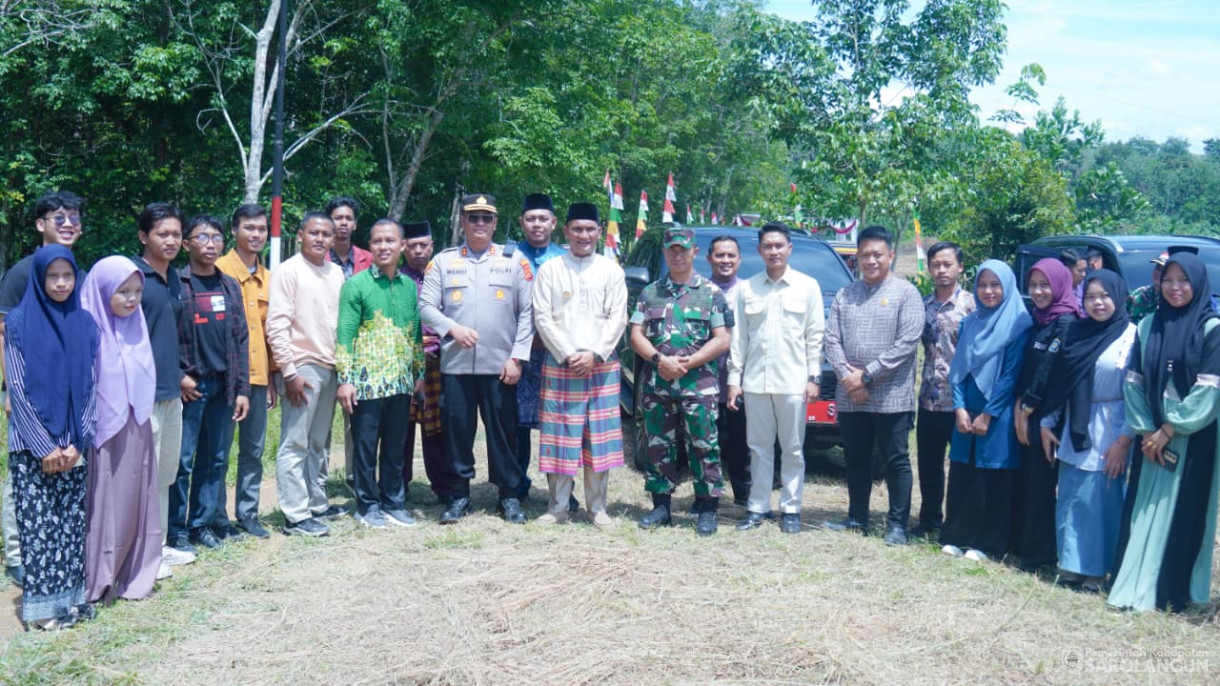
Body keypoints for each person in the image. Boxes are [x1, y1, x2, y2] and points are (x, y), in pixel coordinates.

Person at [1112, 253, 1220, 612]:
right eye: (1168, 280)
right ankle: (1134, 581)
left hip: (1193, 439)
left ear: (1199, 283)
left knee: (1182, 512)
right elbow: (1133, 382)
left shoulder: (1212, 329)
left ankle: (1170, 591)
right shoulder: (1147, 326)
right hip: (1150, 440)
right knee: (1144, 507)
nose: (1175, 288)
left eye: (1183, 281)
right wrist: (1147, 431)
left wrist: (1169, 429)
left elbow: (1209, 392)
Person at [419, 194, 534, 524]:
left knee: (504, 433)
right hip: (456, 366)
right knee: (456, 432)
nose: (480, 223)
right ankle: (458, 496)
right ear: (463, 222)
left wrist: (518, 359)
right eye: (473, 218)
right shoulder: (444, 261)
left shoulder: (514, 262)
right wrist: (452, 328)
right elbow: (426, 305)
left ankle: (509, 495)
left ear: (495, 223)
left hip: (501, 367)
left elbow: (527, 313)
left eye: (486, 218)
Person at [4, 246, 99, 629]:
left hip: (74, 443)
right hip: (32, 446)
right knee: (40, 530)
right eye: (52, 276)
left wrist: (78, 442)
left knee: (71, 527)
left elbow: (92, 387)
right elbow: (17, 389)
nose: (61, 284)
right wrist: (45, 447)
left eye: (68, 276)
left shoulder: (85, 322)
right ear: (39, 279)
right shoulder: (18, 322)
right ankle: (44, 613)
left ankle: (71, 603)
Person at [0, 190, 86, 589]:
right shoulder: (23, 273)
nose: (68, 224)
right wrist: (9, 396)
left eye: (74, 218)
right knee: (26, 481)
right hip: (25, 394)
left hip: (67, 401)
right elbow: (4, 332)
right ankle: (19, 556)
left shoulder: (75, 273)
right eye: (59, 218)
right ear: (40, 224)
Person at [823, 226, 923, 545]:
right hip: (851, 395)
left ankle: (897, 525)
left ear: (891, 255)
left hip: (891, 396)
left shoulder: (906, 293)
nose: (871, 260)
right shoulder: (845, 294)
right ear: (858, 258)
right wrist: (850, 378)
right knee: (855, 457)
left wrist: (866, 376)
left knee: (896, 460)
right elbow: (831, 340)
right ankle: (857, 518)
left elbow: (907, 343)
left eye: (878, 254)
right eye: (865, 254)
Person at [1038, 270, 1135, 594]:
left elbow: (1137, 394)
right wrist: (1046, 422)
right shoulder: (1077, 332)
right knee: (1072, 497)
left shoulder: (1132, 336)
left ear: (1119, 296)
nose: (1098, 302)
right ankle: (1071, 565)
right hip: (1075, 423)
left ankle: (1097, 570)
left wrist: (1125, 438)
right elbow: (1061, 382)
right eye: (1091, 296)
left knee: (1103, 500)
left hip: (1113, 423)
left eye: (1105, 295)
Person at [533, 203, 628, 528]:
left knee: (597, 438)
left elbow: (619, 318)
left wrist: (596, 353)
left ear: (599, 232)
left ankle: (597, 508)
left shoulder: (611, 270)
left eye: (590, 229)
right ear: (566, 231)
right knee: (560, 435)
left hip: (600, 365)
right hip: (562, 363)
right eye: (577, 229)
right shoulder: (551, 269)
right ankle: (557, 507)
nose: (583, 235)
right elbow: (542, 317)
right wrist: (567, 352)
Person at [630, 226, 729, 535]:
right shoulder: (650, 293)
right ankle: (661, 508)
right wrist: (661, 360)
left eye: (682, 249)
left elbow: (722, 338)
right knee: (659, 446)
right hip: (658, 384)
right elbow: (636, 334)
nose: (677, 254)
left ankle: (707, 509)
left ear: (695, 252)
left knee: (704, 445)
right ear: (665, 252)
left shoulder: (711, 293)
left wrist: (687, 363)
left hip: (698, 385)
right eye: (671, 249)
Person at [728, 221, 825, 535]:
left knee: (793, 448)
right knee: (758, 447)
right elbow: (739, 338)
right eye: (768, 246)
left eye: (779, 245)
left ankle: (791, 508)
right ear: (759, 250)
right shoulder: (747, 289)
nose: (773, 251)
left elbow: (815, 336)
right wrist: (734, 379)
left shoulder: (807, 286)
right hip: (756, 382)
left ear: (789, 249)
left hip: (793, 383)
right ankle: (758, 507)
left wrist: (814, 378)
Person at [79, 256, 162, 604]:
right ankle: (98, 577)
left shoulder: (137, 325)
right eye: (122, 291)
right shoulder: (86, 328)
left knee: (136, 500)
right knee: (103, 503)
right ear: (102, 292)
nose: (131, 299)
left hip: (136, 424)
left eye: (137, 291)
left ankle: (133, 573)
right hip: (101, 432)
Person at [337, 219, 425, 529]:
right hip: (366, 383)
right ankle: (367, 504)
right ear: (370, 246)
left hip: (401, 382)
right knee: (365, 446)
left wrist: (419, 373)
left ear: (402, 245)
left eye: (390, 241)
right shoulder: (356, 285)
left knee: (395, 446)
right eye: (377, 241)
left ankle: (393, 502)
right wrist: (345, 379)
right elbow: (345, 335)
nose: (383, 246)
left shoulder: (409, 287)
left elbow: (415, 334)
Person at [941, 261, 1031, 562]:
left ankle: (989, 544)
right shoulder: (970, 322)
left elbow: (1011, 375)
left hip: (998, 413)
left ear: (1007, 287)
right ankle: (956, 535)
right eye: (983, 285)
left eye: (995, 285)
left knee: (992, 479)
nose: (989, 291)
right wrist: (959, 407)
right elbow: (958, 370)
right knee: (962, 474)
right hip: (967, 408)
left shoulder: (1019, 324)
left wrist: (988, 414)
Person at [169, 215, 250, 551]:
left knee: (214, 459)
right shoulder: (175, 283)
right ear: (187, 244)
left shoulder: (228, 284)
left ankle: (201, 524)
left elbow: (241, 339)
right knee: (182, 460)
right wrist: (179, 376)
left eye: (216, 237)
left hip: (223, 386)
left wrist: (243, 389)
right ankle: (176, 529)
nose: (210, 243)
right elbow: (161, 337)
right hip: (190, 387)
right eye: (202, 237)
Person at [267, 213, 346, 537]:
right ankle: (296, 515)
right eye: (313, 232)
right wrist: (288, 372)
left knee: (318, 442)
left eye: (326, 234)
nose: (320, 238)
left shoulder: (337, 272)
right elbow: (277, 324)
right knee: (295, 442)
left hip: (330, 365)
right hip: (302, 365)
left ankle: (315, 504)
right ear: (300, 235)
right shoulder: (289, 271)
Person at [132, 203, 195, 574]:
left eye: (175, 234)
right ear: (144, 237)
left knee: (166, 472)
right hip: (143, 395)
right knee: (144, 473)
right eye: (162, 234)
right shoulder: (133, 277)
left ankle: (159, 543)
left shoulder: (173, 278)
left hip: (172, 392)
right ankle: (140, 554)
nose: (171, 241)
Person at [1011, 258, 1078, 571]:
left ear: (1060, 285)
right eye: (1033, 285)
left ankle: (1040, 556)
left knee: (1041, 486)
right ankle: (1026, 546)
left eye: (1044, 285)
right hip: (1029, 413)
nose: (1038, 291)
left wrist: (1026, 411)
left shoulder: (1066, 321)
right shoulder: (1040, 318)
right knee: (1028, 482)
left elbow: (1049, 372)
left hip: (1049, 418)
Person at [214, 204, 277, 539]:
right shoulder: (218, 270)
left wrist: (271, 380)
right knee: (219, 450)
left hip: (257, 377)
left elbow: (270, 333)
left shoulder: (268, 277)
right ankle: (215, 516)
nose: (256, 235)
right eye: (249, 228)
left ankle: (248, 513)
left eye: (261, 229)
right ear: (234, 230)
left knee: (253, 450)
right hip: (224, 378)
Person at [912, 241, 974, 539]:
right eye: (936, 264)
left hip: (961, 404)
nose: (941, 270)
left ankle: (959, 524)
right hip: (929, 400)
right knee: (929, 465)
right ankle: (929, 521)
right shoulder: (922, 306)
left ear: (960, 267)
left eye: (947, 264)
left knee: (961, 468)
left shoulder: (973, 307)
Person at [512, 194, 570, 508]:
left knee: (559, 423)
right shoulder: (508, 257)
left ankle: (562, 491)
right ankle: (516, 486)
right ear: (522, 222)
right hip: (519, 353)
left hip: (555, 353)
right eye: (530, 219)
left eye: (542, 219)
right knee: (517, 424)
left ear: (553, 223)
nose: (536, 224)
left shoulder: (565, 258)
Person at [398, 220, 449, 504]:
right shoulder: (396, 278)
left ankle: (443, 486)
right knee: (400, 428)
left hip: (439, 361)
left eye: (423, 246)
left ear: (432, 247)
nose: (418, 251)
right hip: (404, 363)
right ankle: (398, 486)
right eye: (412, 246)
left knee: (437, 428)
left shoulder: (441, 275)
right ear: (404, 247)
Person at [324, 195, 371, 496]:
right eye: (337, 218)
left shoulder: (368, 258)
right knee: (320, 423)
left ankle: (357, 477)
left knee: (357, 420)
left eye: (347, 218)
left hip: (361, 352)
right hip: (324, 348)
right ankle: (317, 482)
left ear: (355, 224)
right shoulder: (316, 256)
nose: (342, 223)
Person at [707, 235, 749, 506]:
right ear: (709, 258)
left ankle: (744, 497)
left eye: (731, 255)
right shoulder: (700, 290)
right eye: (720, 255)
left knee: (742, 442)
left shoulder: (749, 291)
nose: (725, 260)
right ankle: (708, 496)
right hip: (704, 380)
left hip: (741, 381)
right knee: (707, 442)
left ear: (739, 259)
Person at [325, 196, 373, 278]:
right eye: (338, 218)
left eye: (349, 219)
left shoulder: (370, 259)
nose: (344, 223)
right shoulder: (318, 258)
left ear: (355, 225)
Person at [1126, 251, 1167, 324]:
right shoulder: (1139, 295)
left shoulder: (1175, 300)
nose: (1159, 273)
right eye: (1157, 268)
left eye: (1163, 270)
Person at [1061, 249, 1087, 318]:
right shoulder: (1059, 293)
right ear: (1066, 270)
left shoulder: (1085, 286)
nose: (1084, 274)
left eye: (1085, 270)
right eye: (1080, 271)